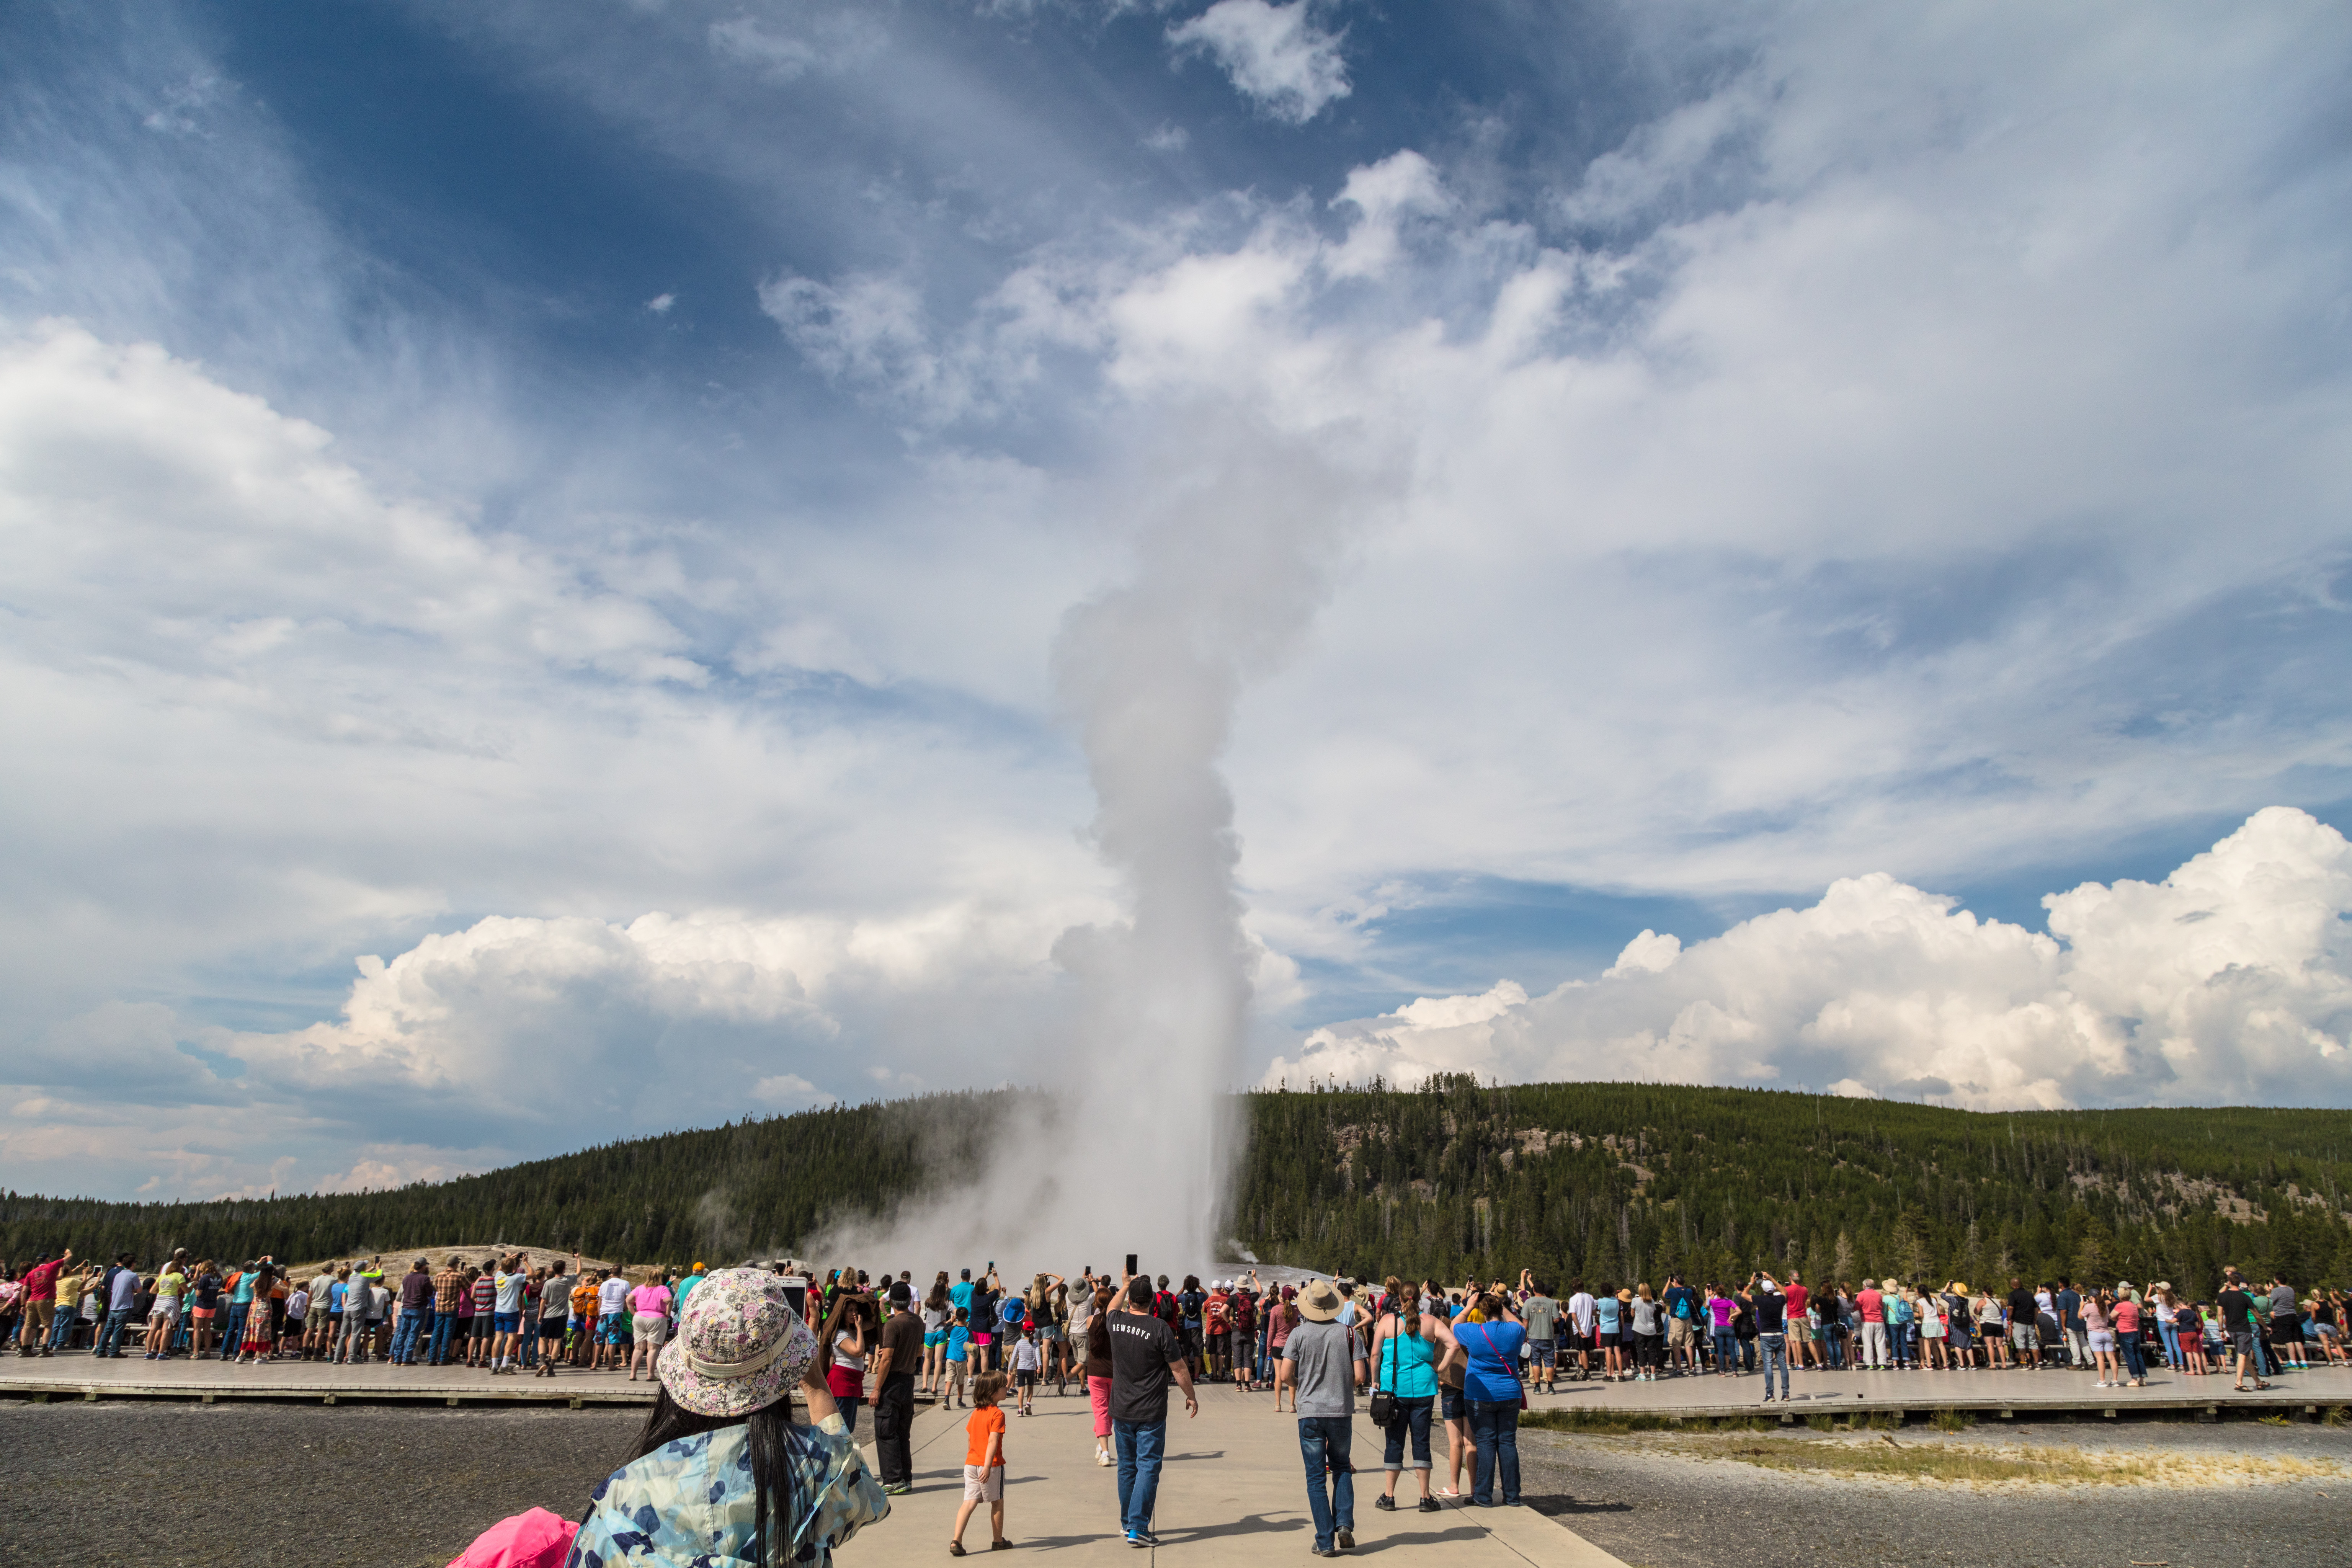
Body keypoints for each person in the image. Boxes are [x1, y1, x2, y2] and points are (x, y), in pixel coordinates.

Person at [568, 1267, 887, 1568]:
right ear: (786, 1370)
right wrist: (816, 1386)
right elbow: (866, 1502)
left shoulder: (625, 1490)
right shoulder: (814, 1464)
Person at [1107, 1272, 1197, 1548]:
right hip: (1150, 1411)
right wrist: (1191, 1396)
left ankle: (1127, 1524)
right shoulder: (1160, 1329)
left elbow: (1111, 1307)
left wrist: (1123, 1284)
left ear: (1132, 1300)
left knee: (1127, 1468)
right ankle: (1137, 1527)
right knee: (1147, 1466)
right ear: (1153, 1301)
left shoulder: (1116, 1322)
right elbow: (1179, 1368)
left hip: (1121, 1409)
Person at [1281, 1278, 1367, 1557]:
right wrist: (1340, 1387)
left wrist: (1303, 1384)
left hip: (1309, 1412)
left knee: (1316, 1477)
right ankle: (1343, 1524)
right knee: (1342, 1467)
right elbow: (1360, 1378)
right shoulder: (1350, 1334)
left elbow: (1284, 1376)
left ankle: (1325, 1541)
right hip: (1340, 1411)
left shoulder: (1299, 1334)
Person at [1370, 1274, 1453, 1515]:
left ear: (1398, 1297)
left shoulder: (1387, 1321)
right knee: (1421, 1441)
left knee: (1394, 1442)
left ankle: (1389, 1496)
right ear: (1419, 1297)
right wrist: (1440, 1369)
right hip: (1424, 1390)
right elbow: (1454, 1345)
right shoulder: (1431, 1322)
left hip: (1394, 1391)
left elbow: (1375, 1355)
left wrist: (1375, 1380)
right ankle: (1425, 1498)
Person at [1453, 1290, 1525, 1507]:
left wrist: (1469, 1306)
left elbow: (1454, 1325)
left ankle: (1483, 1496)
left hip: (1480, 1393)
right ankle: (1512, 1496)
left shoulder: (1475, 1332)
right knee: (1507, 1442)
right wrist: (1502, 1306)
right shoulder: (1513, 1331)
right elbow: (1521, 1325)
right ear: (1500, 1310)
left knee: (1485, 1443)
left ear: (1483, 1312)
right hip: (1510, 1392)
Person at [951, 1371, 1010, 1556]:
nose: (1006, 1388)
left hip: (971, 1464)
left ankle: (956, 1541)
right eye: (1003, 1386)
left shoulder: (976, 1413)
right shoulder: (997, 1414)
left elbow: (971, 1440)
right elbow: (993, 1442)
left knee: (969, 1502)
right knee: (997, 1502)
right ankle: (998, 1541)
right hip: (990, 1465)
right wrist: (986, 1465)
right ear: (993, 1392)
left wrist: (975, 1461)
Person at [873, 1282, 923, 1496]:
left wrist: (876, 1389)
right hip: (908, 1381)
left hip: (892, 1382)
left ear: (891, 1302)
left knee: (886, 1430)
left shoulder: (893, 1325)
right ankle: (905, 1477)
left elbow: (887, 1360)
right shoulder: (918, 1321)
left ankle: (893, 1479)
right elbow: (920, 1351)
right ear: (910, 1300)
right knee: (903, 1432)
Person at [822, 1288, 871, 1433]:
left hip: (853, 1381)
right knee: (841, 1428)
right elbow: (858, 1351)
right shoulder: (839, 1334)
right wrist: (860, 1328)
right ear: (842, 1313)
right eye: (850, 1310)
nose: (855, 1313)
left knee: (850, 1425)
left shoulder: (852, 1331)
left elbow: (874, 1321)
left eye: (856, 1310)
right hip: (842, 1382)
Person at [2219, 1273, 2268, 1391]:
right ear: (2240, 1284)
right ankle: (2239, 1383)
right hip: (2244, 1329)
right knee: (2242, 1354)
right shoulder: (2245, 1296)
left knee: (2244, 1357)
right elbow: (2256, 1314)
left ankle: (2258, 1382)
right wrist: (2265, 1327)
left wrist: (2221, 1330)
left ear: (2229, 1283)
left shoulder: (2222, 1296)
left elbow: (2220, 1314)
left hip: (2231, 1329)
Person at [1084, 1287, 1116, 1468]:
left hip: (1095, 1372)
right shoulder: (1115, 1323)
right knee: (1109, 1411)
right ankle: (1101, 1445)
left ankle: (1106, 1452)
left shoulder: (1090, 1321)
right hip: (1113, 1372)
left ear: (1096, 1303)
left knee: (1101, 1411)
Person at [1748, 1274, 1790, 1403]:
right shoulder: (1780, 1300)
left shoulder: (1760, 1300)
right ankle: (1786, 1394)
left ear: (1764, 1290)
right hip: (1779, 1334)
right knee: (1783, 1365)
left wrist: (1751, 1282)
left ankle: (1770, 1394)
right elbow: (1784, 1291)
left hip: (1766, 1336)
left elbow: (1744, 1295)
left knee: (1768, 1365)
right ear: (1774, 1290)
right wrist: (1772, 1278)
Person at [629, 1267, 674, 1382]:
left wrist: (634, 1313)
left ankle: (633, 1374)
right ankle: (650, 1374)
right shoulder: (662, 1289)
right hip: (656, 1318)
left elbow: (629, 1300)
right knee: (653, 1348)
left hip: (639, 1318)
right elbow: (669, 1300)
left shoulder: (640, 1288)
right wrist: (667, 1314)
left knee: (639, 1347)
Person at [1519, 1275, 1560, 1392]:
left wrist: (1524, 1336)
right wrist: (1547, 1318)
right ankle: (1551, 1386)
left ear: (1534, 1290)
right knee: (1549, 1362)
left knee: (1535, 1362)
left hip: (1533, 1337)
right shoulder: (1551, 1302)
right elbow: (1557, 1319)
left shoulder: (1528, 1302)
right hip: (1547, 1336)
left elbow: (1525, 1321)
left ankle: (1537, 1387)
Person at [923, 1277, 953, 1398]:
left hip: (929, 1332)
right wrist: (949, 1321)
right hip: (941, 1332)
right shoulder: (946, 1303)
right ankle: (935, 1387)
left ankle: (925, 1385)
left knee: (927, 1360)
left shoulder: (928, 1302)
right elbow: (957, 1311)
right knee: (939, 1361)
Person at [1010, 1327, 1042, 1416]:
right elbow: (1038, 1356)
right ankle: (1028, 1404)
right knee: (1031, 1388)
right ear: (1033, 1332)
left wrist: (1011, 1368)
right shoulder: (1035, 1343)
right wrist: (1039, 1366)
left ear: (1023, 1332)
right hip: (1031, 1369)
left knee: (1021, 1390)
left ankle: (1020, 1410)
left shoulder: (1019, 1342)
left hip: (1021, 1369)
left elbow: (1014, 1356)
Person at [944, 1308, 972, 1408]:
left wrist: (951, 1322)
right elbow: (970, 1344)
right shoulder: (968, 1330)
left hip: (951, 1357)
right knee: (960, 1382)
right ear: (966, 1318)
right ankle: (959, 1401)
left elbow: (945, 1328)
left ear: (956, 1317)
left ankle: (946, 1400)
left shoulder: (952, 1329)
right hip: (962, 1358)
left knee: (949, 1379)